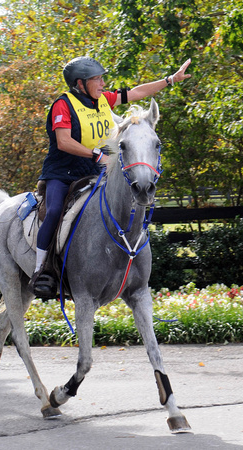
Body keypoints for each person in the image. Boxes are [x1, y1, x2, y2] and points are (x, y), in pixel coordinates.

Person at [31, 56, 192, 298]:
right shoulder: (62, 105)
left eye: (102, 78)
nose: (103, 83)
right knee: (54, 211)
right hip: (63, 173)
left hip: (97, 172)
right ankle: (42, 270)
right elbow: (64, 142)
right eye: (96, 79)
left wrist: (170, 80)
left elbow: (138, 92)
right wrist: (96, 155)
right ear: (80, 83)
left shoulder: (104, 100)